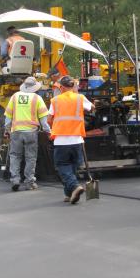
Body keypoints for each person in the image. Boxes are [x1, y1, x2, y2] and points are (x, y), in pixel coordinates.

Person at [48, 75, 95, 204]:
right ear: (73, 86)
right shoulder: (80, 98)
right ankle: (69, 194)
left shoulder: (55, 100)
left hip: (61, 140)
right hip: (77, 140)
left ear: (61, 87)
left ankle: (75, 187)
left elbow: (49, 119)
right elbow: (92, 108)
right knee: (72, 168)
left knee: (62, 166)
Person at [4, 76, 50, 191]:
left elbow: (8, 116)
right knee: (30, 157)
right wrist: (48, 131)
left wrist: (6, 130)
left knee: (15, 156)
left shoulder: (14, 97)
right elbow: (44, 120)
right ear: (35, 87)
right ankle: (29, 182)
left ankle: (15, 180)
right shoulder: (37, 98)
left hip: (16, 132)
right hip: (31, 132)